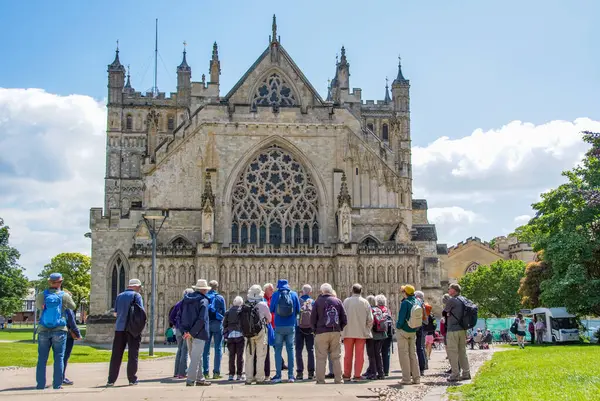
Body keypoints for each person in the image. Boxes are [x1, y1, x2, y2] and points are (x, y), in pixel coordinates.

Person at [36, 273, 76, 390]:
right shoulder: (64, 296)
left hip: (43, 329)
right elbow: (73, 306)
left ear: (50, 282)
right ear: (60, 282)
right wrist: (68, 297)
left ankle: (40, 384)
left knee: (42, 358)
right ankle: (57, 384)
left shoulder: (41, 295)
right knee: (59, 357)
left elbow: (39, 307)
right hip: (59, 329)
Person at [107, 278, 144, 387]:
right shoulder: (136, 296)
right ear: (137, 286)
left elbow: (115, 313)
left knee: (116, 355)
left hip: (119, 329)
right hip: (132, 329)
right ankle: (132, 379)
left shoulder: (119, 296)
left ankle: (111, 380)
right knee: (133, 354)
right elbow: (140, 313)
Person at [311, 283, 347, 384]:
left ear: (322, 291)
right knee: (336, 357)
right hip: (335, 331)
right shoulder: (337, 301)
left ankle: (320, 380)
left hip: (321, 332)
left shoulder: (318, 301)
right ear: (331, 291)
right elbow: (344, 318)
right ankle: (338, 379)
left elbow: (312, 318)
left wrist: (315, 330)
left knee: (321, 357)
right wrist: (339, 328)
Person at [181, 279, 212, 387]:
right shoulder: (203, 300)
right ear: (204, 290)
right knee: (195, 357)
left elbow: (180, 316)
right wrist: (193, 333)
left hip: (188, 332)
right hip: (198, 333)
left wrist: (185, 331)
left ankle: (200, 379)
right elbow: (202, 319)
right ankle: (190, 380)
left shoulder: (187, 299)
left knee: (196, 356)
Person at [269, 279, 301, 383]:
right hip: (290, 326)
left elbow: (271, 309)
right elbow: (298, 310)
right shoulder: (294, 294)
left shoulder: (275, 295)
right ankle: (291, 376)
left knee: (278, 350)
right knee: (290, 349)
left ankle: (278, 375)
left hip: (279, 326)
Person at [342, 283, 373, 381]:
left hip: (348, 332)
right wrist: (367, 328)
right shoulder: (365, 302)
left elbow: (341, 316)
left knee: (347, 354)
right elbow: (370, 319)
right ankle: (357, 375)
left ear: (352, 290)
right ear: (361, 291)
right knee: (359, 355)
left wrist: (343, 329)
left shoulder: (346, 301)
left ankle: (347, 375)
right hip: (361, 332)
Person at [244, 284, 272, 385]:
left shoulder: (245, 304)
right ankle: (260, 378)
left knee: (249, 356)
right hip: (260, 332)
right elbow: (269, 319)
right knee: (261, 355)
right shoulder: (263, 305)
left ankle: (248, 378)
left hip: (248, 333)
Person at [444, 283, 471, 382]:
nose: (448, 290)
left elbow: (445, 312)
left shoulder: (452, 300)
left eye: (449, 289)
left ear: (454, 291)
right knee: (462, 352)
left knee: (453, 353)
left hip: (453, 330)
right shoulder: (464, 299)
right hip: (462, 329)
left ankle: (455, 374)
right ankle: (466, 373)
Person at [396, 285, 420, 385]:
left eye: (403, 291)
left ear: (405, 292)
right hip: (413, 330)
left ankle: (406, 379)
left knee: (404, 354)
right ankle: (416, 378)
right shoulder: (417, 301)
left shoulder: (405, 302)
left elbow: (401, 318)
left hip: (404, 331)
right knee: (413, 354)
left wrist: (398, 326)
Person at [203, 280, 226, 379]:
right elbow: (224, 312)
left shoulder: (205, 297)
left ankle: (205, 372)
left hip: (207, 324)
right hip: (217, 324)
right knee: (218, 348)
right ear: (217, 287)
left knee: (206, 349)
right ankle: (216, 372)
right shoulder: (220, 298)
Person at [170, 288, 193, 379]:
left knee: (179, 350)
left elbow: (171, 317)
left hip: (178, 330)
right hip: (185, 330)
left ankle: (176, 372)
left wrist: (176, 325)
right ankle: (182, 372)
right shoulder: (189, 305)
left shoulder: (178, 304)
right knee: (184, 351)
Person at [295, 284, 315, 381]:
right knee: (310, 349)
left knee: (298, 350)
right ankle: (311, 373)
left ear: (302, 291)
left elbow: (294, 313)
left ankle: (299, 373)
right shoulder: (312, 302)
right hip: (310, 328)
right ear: (310, 292)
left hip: (299, 327)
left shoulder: (298, 301)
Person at [367, 294, 389, 380]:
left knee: (371, 355)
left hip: (372, 335)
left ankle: (373, 373)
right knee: (378, 354)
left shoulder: (370, 310)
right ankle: (381, 373)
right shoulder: (379, 309)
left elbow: (369, 322)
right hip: (381, 334)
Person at [223, 296, 245, 381]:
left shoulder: (228, 312)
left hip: (230, 336)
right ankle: (239, 374)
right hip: (240, 335)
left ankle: (231, 375)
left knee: (231, 356)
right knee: (240, 356)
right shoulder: (241, 311)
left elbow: (224, 324)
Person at [62, 300, 82, 386]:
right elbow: (72, 323)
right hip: (67, 335)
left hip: (56, 333)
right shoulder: (68, 309)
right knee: (64, 356)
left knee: (59, 357)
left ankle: (58, 377)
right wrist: (78, 334)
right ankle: (61, 378)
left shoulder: (57, 308)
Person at [414, 291, 429, 374]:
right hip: (423, 326)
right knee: (421, 347)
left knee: (416, 348)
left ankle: (418, 367)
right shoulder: (423, 303)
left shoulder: (416, 302)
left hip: (416, 326)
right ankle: (423, 367)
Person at [380, 296, 395, 377]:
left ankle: (379, 370)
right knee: (386, 352)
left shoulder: (376, 310)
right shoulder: (388, 310)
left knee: (377, 352)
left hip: (379, 333)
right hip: (388, 333)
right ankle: (386, 371)